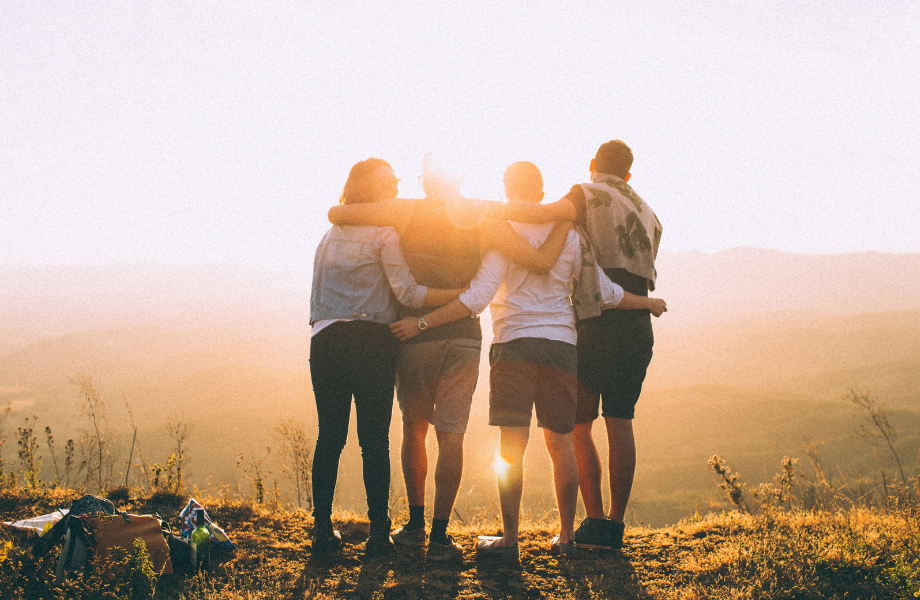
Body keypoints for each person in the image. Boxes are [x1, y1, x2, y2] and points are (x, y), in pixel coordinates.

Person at [390, 161, 665, 562]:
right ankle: (567, 537)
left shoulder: (501, 232)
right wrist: (648, 303)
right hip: (561, 348)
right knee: (561, 445)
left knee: (511, 449)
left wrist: (423, 322)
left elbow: (477, 298)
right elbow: (605, 292)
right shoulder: (570, 234)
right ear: (541, 193)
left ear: (506, 189)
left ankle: (511, 540)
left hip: (513, 345)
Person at [327, 154, 571, 561]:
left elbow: (340, 213)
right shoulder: (482, 216)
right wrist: (565, 220)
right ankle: (441, 535)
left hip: (413, 335)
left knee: (414, 428)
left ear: (425, 182)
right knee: (451, 435)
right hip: (463, 338)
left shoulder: (404, 211)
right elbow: (537, 260)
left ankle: (415, 524)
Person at [491, 141, 663, 551]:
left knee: (578, 426)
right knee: (621, 421)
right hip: (636, 322)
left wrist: (482, 211)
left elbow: (543, 214)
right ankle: (614, 528)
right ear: (629, 174)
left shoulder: (585, 194)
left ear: (592, 166)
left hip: (595, 320)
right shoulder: (648, 211)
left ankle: (594, 521)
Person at [309, 158, 466, 557]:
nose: (396, 187)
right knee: (373, 440)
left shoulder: (328, 236)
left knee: (330, 436)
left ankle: (322, 530)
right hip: (372, 342)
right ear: (370, 190)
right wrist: (460, 296)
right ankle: (379, 531)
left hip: (325, 340)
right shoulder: (384, 234)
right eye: (388, 182)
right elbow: (409, 295)